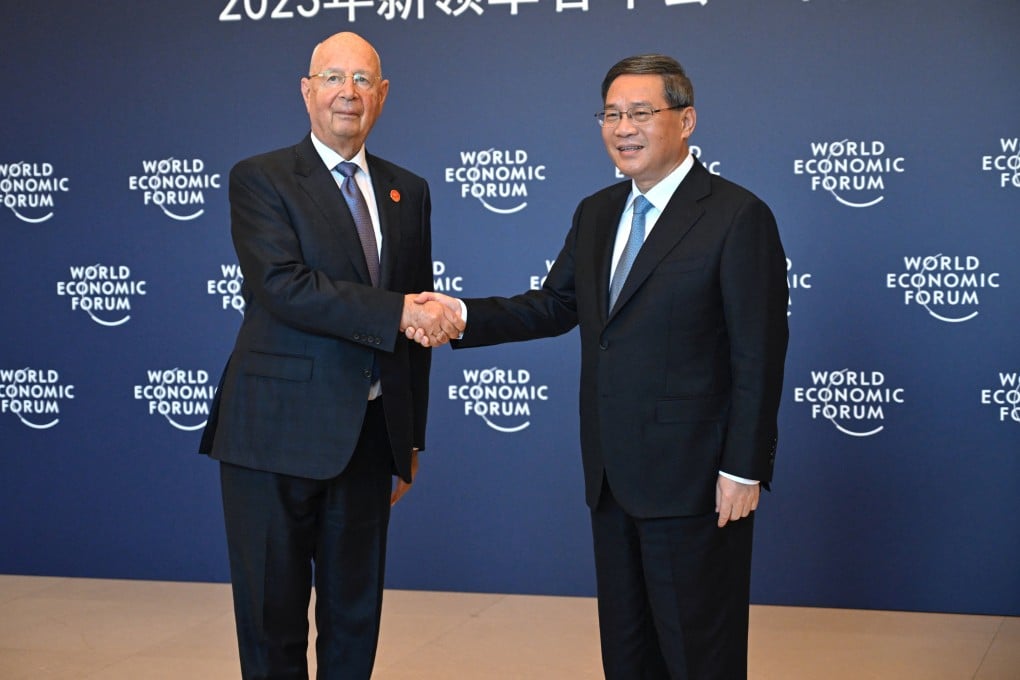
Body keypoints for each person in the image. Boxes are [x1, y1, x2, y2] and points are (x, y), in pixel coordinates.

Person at [411, 55, 788, 679]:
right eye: (611, 114)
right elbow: (556, 306)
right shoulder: (597, 212)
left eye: (641, 113)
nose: (623, 128)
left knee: (700, 655)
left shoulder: (736, 215)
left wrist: (743, 468)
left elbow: (759, 351)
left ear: (686, 120)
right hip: (611, 479)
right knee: (628, 653)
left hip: (696, 484)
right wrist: (459, 314)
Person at [198, 31, 463, 680]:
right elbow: (285, 287)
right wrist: (399, 311)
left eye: (364, 80)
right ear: (307, 91)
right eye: (334, 78)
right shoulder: (261, 178)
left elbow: (414, 316)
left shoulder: (409, 190)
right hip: (271, 433)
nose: (349, 92)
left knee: (354, 621)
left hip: (369, 439)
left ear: (383, 95)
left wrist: (410, 436)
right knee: (271, 621)